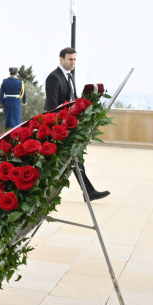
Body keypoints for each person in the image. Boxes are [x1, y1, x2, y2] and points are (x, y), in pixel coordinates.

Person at [45, 47, 109, 200]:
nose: (73, 62)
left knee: (75, 157)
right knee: (70, 159)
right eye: (70, 59)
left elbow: (73, 99)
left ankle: (89, 192)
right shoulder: (53, 77)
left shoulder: (69, 76)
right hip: (57, 128)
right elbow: (52, 108)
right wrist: (60, 127)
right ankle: (87, 192)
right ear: (61, 59)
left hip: (69, 125)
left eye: (74, 59)